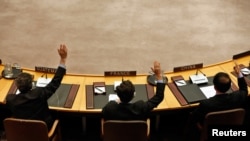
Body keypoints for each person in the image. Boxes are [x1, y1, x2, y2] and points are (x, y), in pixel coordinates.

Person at [5, 44, 68, 130]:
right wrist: (63, 59)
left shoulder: (10, 99)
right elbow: (55, 83)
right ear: (31, 85)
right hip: (43, 131)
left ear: (17, 86)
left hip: (22, 133)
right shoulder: (39, 94)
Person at [185, 61, 248, 140]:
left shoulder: (206, 104)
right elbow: (244, 90)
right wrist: (239, 73)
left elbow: (193, 119)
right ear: (230, 87)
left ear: (214, 87)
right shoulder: (238, 97)